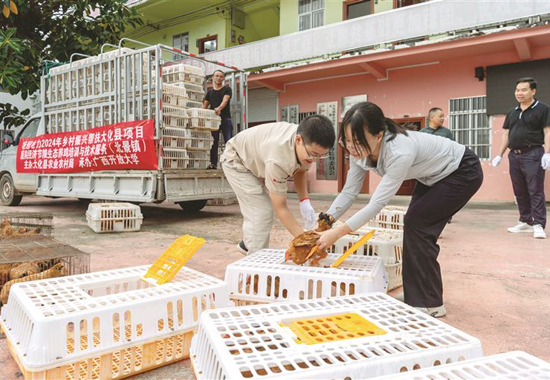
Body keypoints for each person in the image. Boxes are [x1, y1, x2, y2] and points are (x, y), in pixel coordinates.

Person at [317, 102, 483, 318]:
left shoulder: (399, 150)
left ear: (379, 135)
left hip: (462, 171)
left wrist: (336, 233)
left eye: (357, 142)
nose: (351, 148)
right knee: (414, 225)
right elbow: (349, 192)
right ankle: (415, 294)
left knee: (419, 224)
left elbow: (376, 204)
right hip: (432, 175)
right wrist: (326, 221)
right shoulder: (359, 152)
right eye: (346, 141)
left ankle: (431, 303)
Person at [221, 115, 336, 255]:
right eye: (313, 155)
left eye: (321, 156)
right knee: (261, 211)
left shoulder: (305, 141)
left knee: (260, 211)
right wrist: (306, 240)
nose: (315, 160)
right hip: (236, 160)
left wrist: (304, 202)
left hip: (256, 156)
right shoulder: (279, 159)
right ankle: (255, 262)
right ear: (298, 140)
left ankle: (248, 245)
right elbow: (280, 207)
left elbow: (300, 170)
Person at [492, 77, 550, 239]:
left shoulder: (543, 109)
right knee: (519, 191)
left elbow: (547, 131)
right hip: (514, 155)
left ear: (533, 91)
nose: (519, 93)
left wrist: (547, 152)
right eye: (517, 90)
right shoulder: (512, 111)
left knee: (535, 190)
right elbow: (506, 134)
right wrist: (499, 154)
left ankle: (538, 224)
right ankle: (525, 221)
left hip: (533, 153)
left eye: (524, 90)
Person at [203, 70, 233, 169]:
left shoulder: (227, 89)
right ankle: (213, 164)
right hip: (213, 121)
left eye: (221, 76)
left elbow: (225, 100)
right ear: (213, 77)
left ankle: (231, 164)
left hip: (225, 120)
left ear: (223, 78)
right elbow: (204, 106)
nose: (219, 78)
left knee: (229, 142)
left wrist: (219, 108)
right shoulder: (210, 92)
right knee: (213, 143)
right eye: (217, 76)